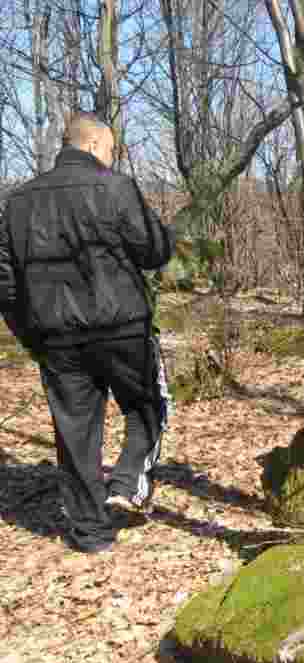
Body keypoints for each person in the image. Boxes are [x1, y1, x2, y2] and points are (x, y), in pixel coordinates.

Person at [0, 113, 176, 554]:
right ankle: (125, 481)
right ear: (95, 145)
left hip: (56, 336)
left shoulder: (18, 201)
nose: (112, 158)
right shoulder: (115, 188)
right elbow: (154, 252)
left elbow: (5, 283)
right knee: (148, 405)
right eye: (111, 149)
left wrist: (32, 335)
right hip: (122, 328)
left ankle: (91, 534)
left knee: (75, 432)